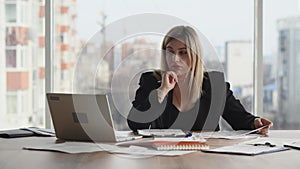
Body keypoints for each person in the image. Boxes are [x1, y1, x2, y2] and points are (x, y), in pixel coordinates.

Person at [127, 25, 272, 135]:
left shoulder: (214, 84)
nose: (175, 59)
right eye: (170, 52)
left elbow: (238, 118)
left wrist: (255, 123)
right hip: (164, 157)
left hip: (205, 157)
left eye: (183, 52)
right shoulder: (151, 81)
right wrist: (162, 91)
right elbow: (135, 123)